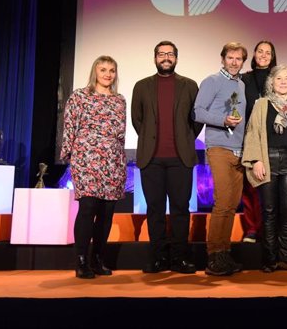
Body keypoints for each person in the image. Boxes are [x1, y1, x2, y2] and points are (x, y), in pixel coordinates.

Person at [131, 41, 202, 274]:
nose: (166, 58)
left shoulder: (190, 85)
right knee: (155, 210)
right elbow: (137, 120)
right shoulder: (141, 86)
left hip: (180, 158)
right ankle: (158, 258)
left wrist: (185, 138)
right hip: (151, 159)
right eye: (161, 54)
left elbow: (197, 119)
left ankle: (180, 258)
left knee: (181, 209)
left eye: (170, 54)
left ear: (176, 58)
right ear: (155, 58)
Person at [61, 55, 126, 279]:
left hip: (112, 160)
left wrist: (119, 161)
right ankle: (81, 260)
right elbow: (70, 126)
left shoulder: (120, 100)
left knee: (106, 213)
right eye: (103, 70)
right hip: (86, 159)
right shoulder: (79, 96)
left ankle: (97, 258)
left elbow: (121, 134)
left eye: (112, 70)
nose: (108, 74)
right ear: (95, 72)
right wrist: (68, 155)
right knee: (88, 208)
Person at [242, 65, 287, 272]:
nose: (282, 82)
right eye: (278, 78)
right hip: (268, 159)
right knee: (269, 211)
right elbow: (252, 132)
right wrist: (256, 161)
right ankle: (270, 259)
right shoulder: (262, 104)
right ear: (272, 82)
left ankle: (286, 258)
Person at [194, 42, 248, 276]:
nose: (234, 62)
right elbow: (197, 111)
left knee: (231, 204)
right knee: (222, 202)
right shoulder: (212, 81)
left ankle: (223, 253)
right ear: (223, 58)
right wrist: (223, 120)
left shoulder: (241, 85)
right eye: (231, 58)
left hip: (239, 151)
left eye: (239, 59)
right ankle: (214, 256)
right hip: (218, 148)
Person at [240, 41, 277, 243]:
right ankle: (252, 229)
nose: (263, 55)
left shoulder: (278, 78)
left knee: (271, 188)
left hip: (274, 140)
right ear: (254, 54)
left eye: (268, 52)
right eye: (260, 51)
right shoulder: (244, 79)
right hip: (250, 138)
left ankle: (269, 230)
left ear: (273, 56)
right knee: (251, 187)